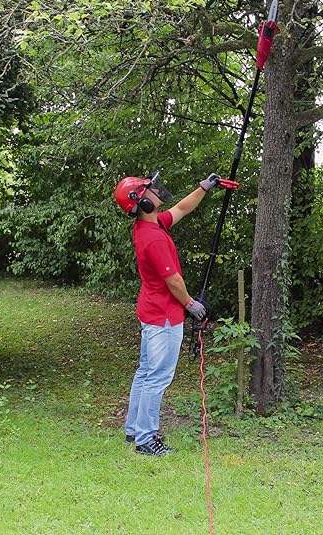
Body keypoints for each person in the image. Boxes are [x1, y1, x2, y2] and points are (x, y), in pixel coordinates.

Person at [114, 171, 220, 456]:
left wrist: (203, 188)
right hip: (163, 317)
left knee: (146, 371)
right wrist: (191, 305)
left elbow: (181, 209)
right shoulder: (153, 239)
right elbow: (173, 280)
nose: (157, 190)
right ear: (143, 203)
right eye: (149, 189)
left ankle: (134, 429)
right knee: (157, 377)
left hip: (152, 311)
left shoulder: (152, 225)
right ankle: (146, 439)